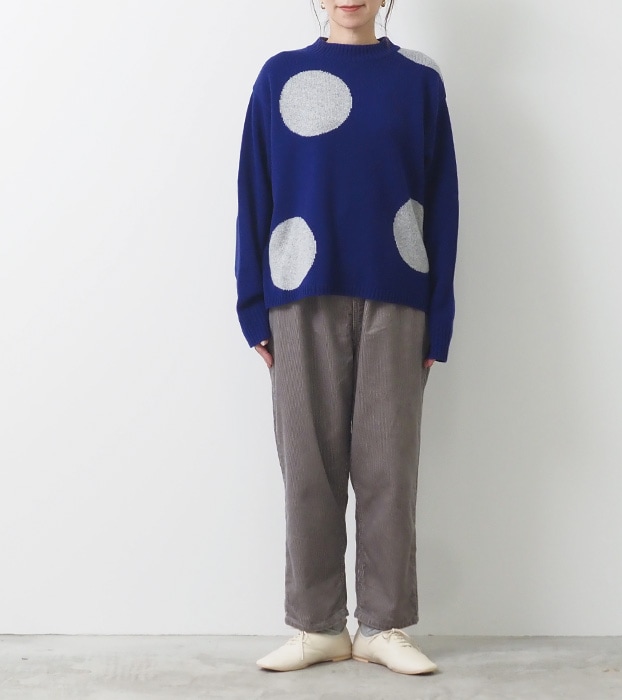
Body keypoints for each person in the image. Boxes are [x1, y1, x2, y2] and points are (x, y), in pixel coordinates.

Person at [234, 0, 459, 675]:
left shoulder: (420, 82)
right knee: (309, 469)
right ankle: (317, 626)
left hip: (398, 296)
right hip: (298, 294)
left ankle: (383, 625)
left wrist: (439, 316)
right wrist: (252, 308)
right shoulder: (278, 77)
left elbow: (443, 204)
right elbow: (253, 194)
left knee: (390, 467)